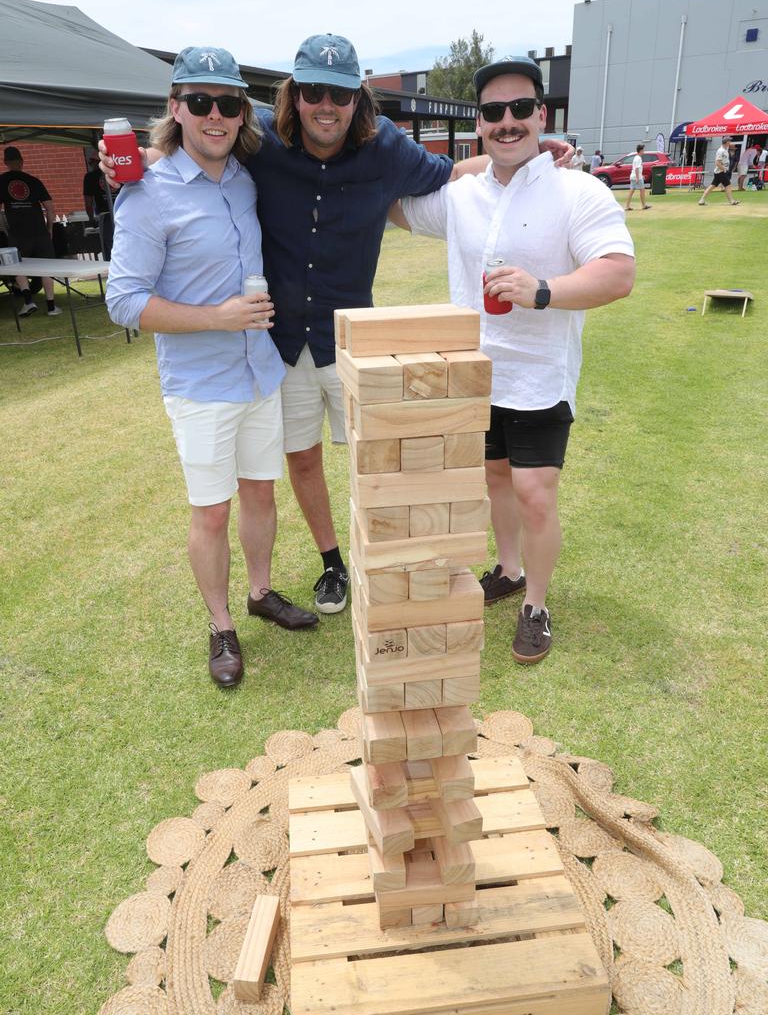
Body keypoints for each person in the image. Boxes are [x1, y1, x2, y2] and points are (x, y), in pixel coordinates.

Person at [101, 34, 574, 619]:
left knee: (375, 459)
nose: (326, 104)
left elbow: (454, 174)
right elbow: (196, 152)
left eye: (341, 93)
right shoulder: (262, 141)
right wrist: (141, 161)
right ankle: (332, 562)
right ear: (294, 94)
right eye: (313, 90)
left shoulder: (387, 147)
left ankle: (388, 560)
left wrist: (524, 155)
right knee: (299, 461)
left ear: (359, 99)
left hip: (352, 339)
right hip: (280, 343)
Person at [390, 56, 635, 664]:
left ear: (541, 114)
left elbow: (617, 273)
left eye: (520, 109)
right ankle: (509, 568)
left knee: (534, 491)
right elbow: (393, 206)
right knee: (494, 478)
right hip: (474, 370)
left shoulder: (579, 189)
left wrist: (542, 290)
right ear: (479, 122)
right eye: (494, 112)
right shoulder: (461, 196)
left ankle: (537, 606)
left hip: (539, 374)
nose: (508, 122)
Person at [107, 46, 318, 689]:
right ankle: (221, 625)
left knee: (261, 490)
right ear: (176, 109)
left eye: (228, 103)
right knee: (213, 511)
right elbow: (123, 301)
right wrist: (218, 316)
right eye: (199, 102)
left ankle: (259, 593)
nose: (215, 115)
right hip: (201, 385)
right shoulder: (148, 194)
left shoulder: (245, 175)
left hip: (261, 372)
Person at [0, 146, 62, 316]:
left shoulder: (2, 181)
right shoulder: (33, 180)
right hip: (40, 231)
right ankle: (51, 306)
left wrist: (4, 230)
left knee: (17, 266)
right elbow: (49, 208)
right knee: (46, 267)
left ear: (5, 162)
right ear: (22, 161)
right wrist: (49, 228)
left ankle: (28, 301)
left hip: (18, 233)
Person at [83, 153, 116, 258]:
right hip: (124, 214)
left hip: (106, 217)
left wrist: (91, 219)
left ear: (96, 162)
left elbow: (88, 202)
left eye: (91, 162)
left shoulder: (90, 177)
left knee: (110, 249)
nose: (90, 164)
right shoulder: (118, 172)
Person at [698, 137, 740, 206]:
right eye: (729, 141)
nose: (730, 143)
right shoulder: (721, 151)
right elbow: (717, 163)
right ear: (726, 142)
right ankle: (732, 201)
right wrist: (724, 169)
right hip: (721, 172)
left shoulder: (724, 150)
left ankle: (702, 200)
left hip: (720, 172)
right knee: (728, 185)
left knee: (713, 186)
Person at [624, 144, 650, 211]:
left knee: (631, 191)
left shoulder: (636, 157)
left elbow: (637, 168)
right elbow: (636, 169)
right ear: (641, 150)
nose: (644, 151)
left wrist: (640, 175)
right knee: (642, 190)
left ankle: (627, 206)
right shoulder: (638, 158)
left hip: (633, 176)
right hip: (636, 177)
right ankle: (644, 205)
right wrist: (638, 178)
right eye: (643, 150)